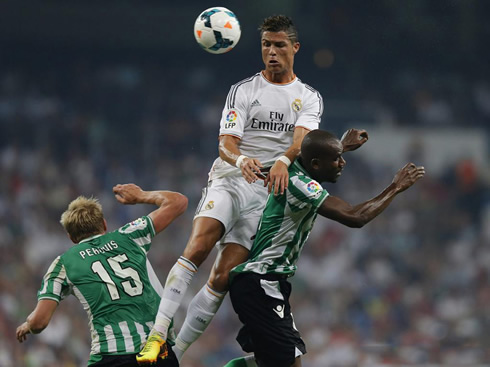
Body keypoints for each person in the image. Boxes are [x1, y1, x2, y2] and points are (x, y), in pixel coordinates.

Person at [137, 14, 367, 364]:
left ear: (295, 48)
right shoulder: (244, 90)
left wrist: (283, 161)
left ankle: (174, 355)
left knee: (223, 275)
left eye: (279, 45)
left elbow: (302, 144)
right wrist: (240, 159)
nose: (271, 52)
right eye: (265, 45)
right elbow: (225, 145)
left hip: (267, 193)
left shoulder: (308, 97)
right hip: (232, 180)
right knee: (199, 245)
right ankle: (156, 336)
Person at [224, 129, 425, 367]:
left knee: (274, 361)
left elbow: (311, 157)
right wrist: (395, 187)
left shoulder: (295, 168)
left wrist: (341, 146)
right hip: (261, 284)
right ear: (317, 164)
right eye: (337, 158)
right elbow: (354, 216)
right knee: (288, 362)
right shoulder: (299, 184)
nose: (343, 163)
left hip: (265, 284)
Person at [16, 184, 188, 367]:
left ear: (72, 238)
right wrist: (140, 196)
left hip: (111, 356)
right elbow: (178, 202)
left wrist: (27, 325)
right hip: (157, 352)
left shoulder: (63, 264)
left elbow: (40, 322)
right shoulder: (129, 235)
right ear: (104, 224)